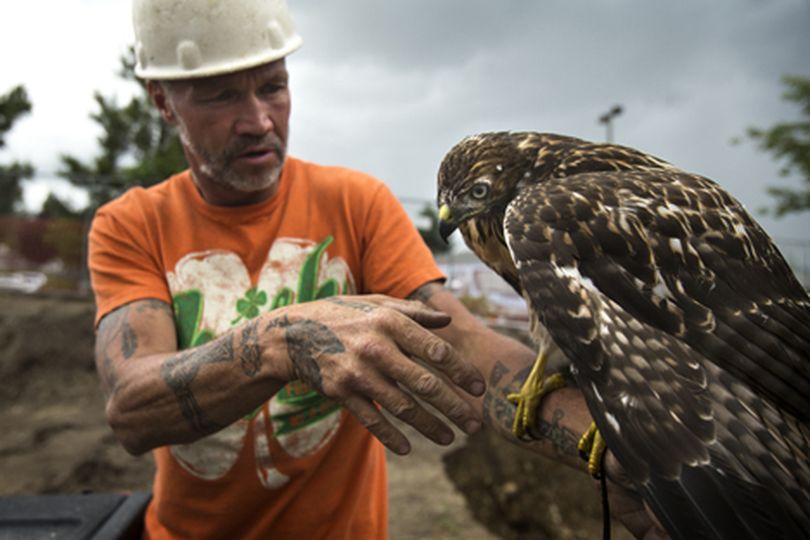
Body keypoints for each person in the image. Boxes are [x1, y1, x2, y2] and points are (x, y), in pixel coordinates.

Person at [88, 0, 665, 538]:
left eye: (274, 87)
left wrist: (632, 453)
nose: (259, 120)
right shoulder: (131, 224)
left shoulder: (357, 203)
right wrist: (281, 341)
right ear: (163, 102)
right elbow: (133, 411)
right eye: (221, 97)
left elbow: (461, 343)